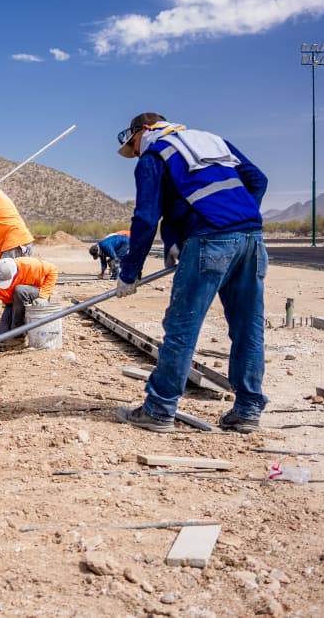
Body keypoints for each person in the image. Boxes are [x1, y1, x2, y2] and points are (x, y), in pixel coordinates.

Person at [111, 113, 268, 434]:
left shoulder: (154, 155)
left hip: (210, 241)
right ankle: (248, 410)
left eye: (134, 144)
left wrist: (129, 272)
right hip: (252, 238)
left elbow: (146, 218)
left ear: (143, 131)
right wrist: (236, 219)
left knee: (182, 327)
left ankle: (158, 410)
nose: (136, 153)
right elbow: (258, 180)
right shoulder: (213, 141)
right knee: (248, 328)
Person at [0, 256, 58, 346]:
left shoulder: (29, 265)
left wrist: (43, 296)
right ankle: (15, 332)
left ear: (15, 274)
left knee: (19, 290)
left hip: (36, 297)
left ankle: (19, 336)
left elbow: (53, 269)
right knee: (2, 337)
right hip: (13, 302)